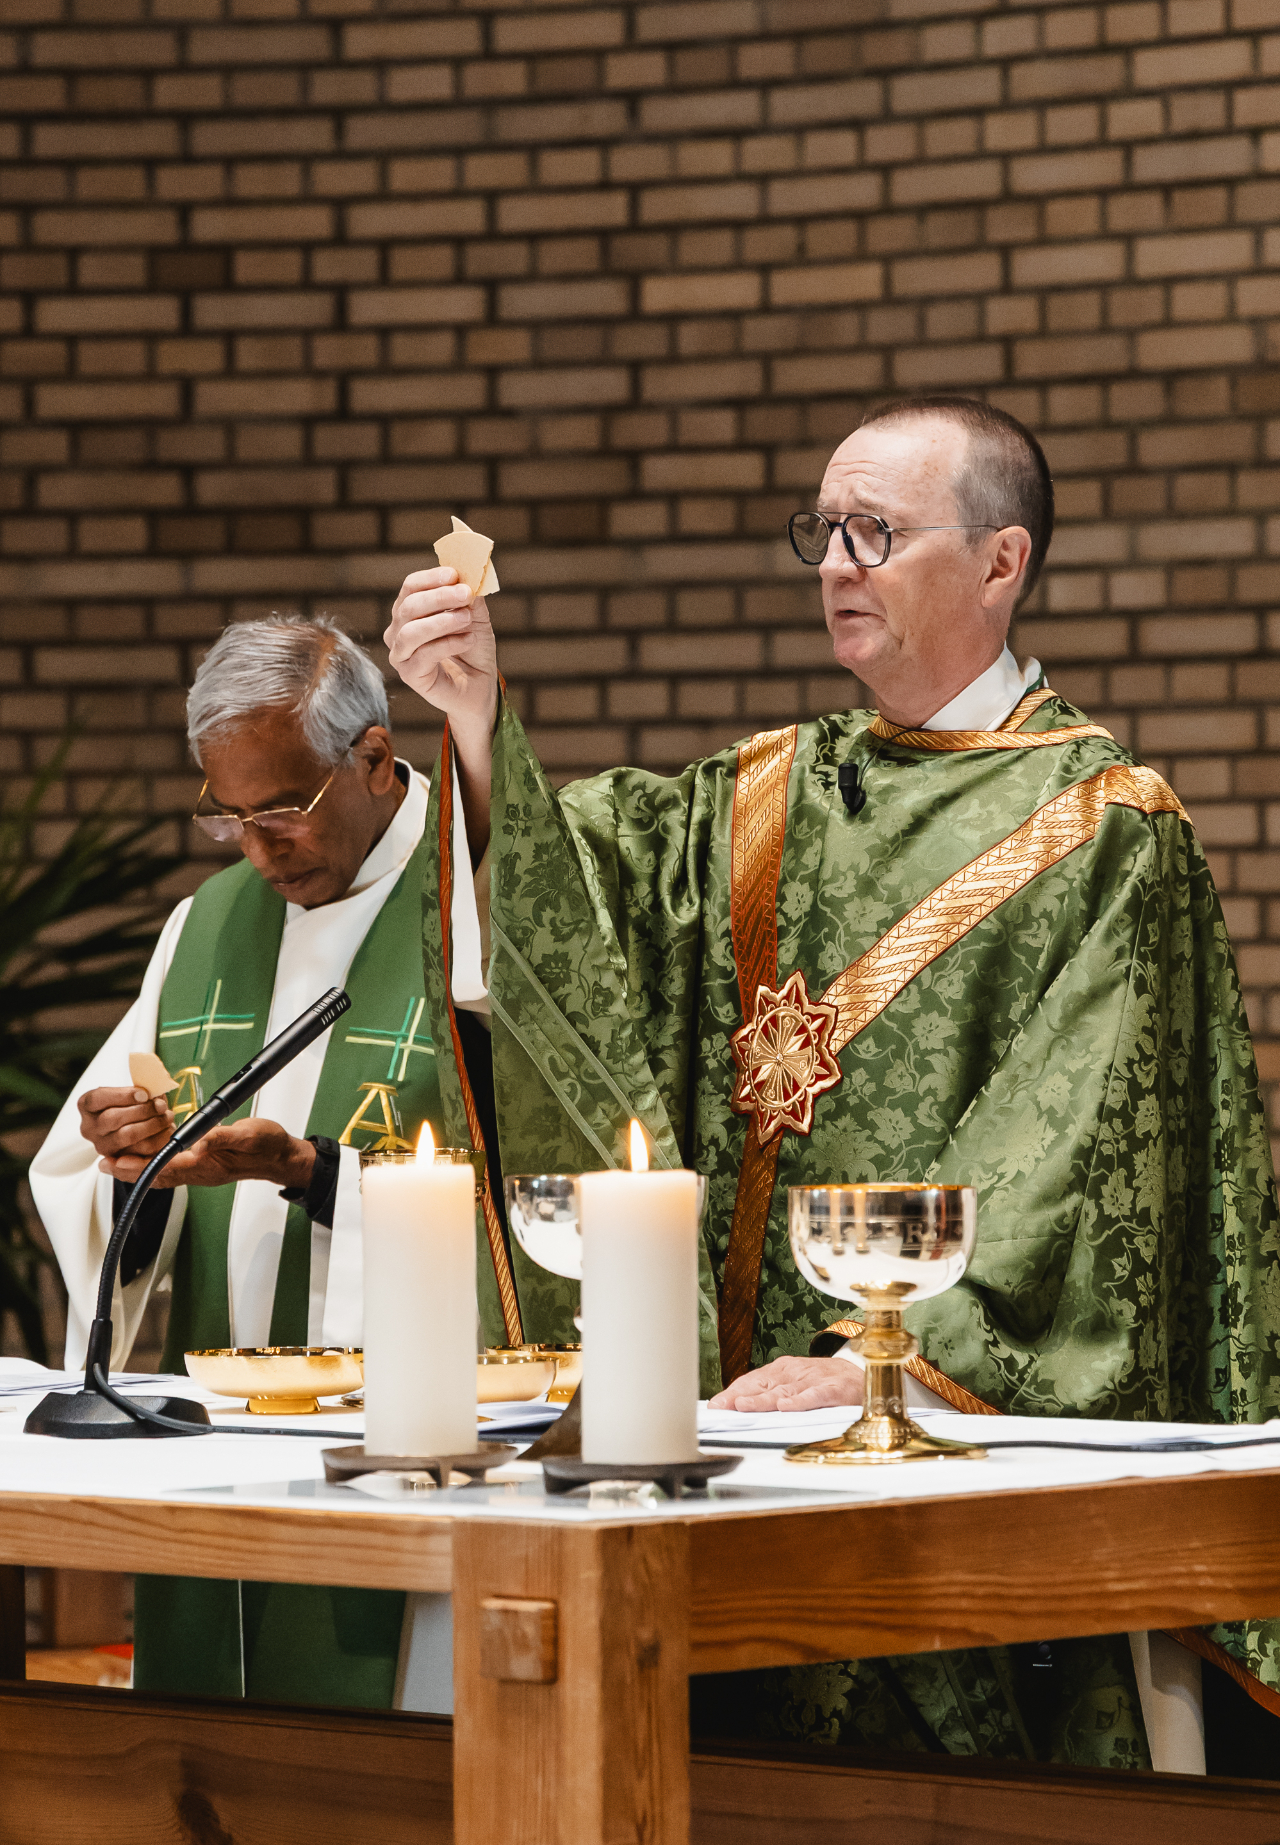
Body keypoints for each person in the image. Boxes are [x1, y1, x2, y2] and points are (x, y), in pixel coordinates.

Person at [387, 395, 1280, 1771]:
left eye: (876, 529)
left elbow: (1086, 1163)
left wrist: (889, 1362)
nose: (835, 563)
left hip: (939, 1470)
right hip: (735, 1443)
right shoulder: (764, 794)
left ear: (1002, 562)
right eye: (823, 529)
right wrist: (481, 721)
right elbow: (576, 909)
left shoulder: (1111, 834)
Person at [31, 614, 519, 1708]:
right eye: (232, 817)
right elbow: (80, 1171)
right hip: (227, 1443)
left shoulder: (479, 894)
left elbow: (534, 1182)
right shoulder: (207, 925)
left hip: (416, 1455)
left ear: (376, 758)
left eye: (284, 810)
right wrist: (133, 1159)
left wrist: (308, 1171)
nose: (258, 850)